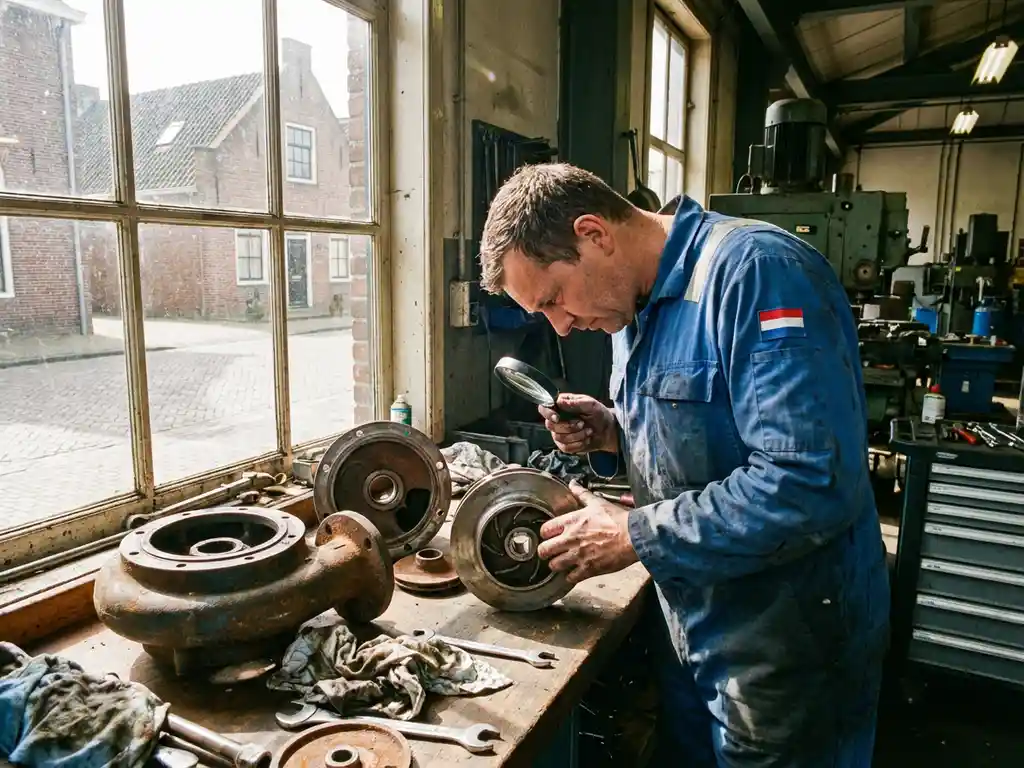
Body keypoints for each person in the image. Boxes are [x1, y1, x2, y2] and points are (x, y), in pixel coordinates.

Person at [477, 162, 890, 767]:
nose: (562, 325)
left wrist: (634, 533)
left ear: (594, 234)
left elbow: (809, 480)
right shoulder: (628, 304)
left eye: (555, 299)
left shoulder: (757, 274)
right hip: (693, 621)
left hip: (787, 641)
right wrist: (613, 431)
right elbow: (708, 431)